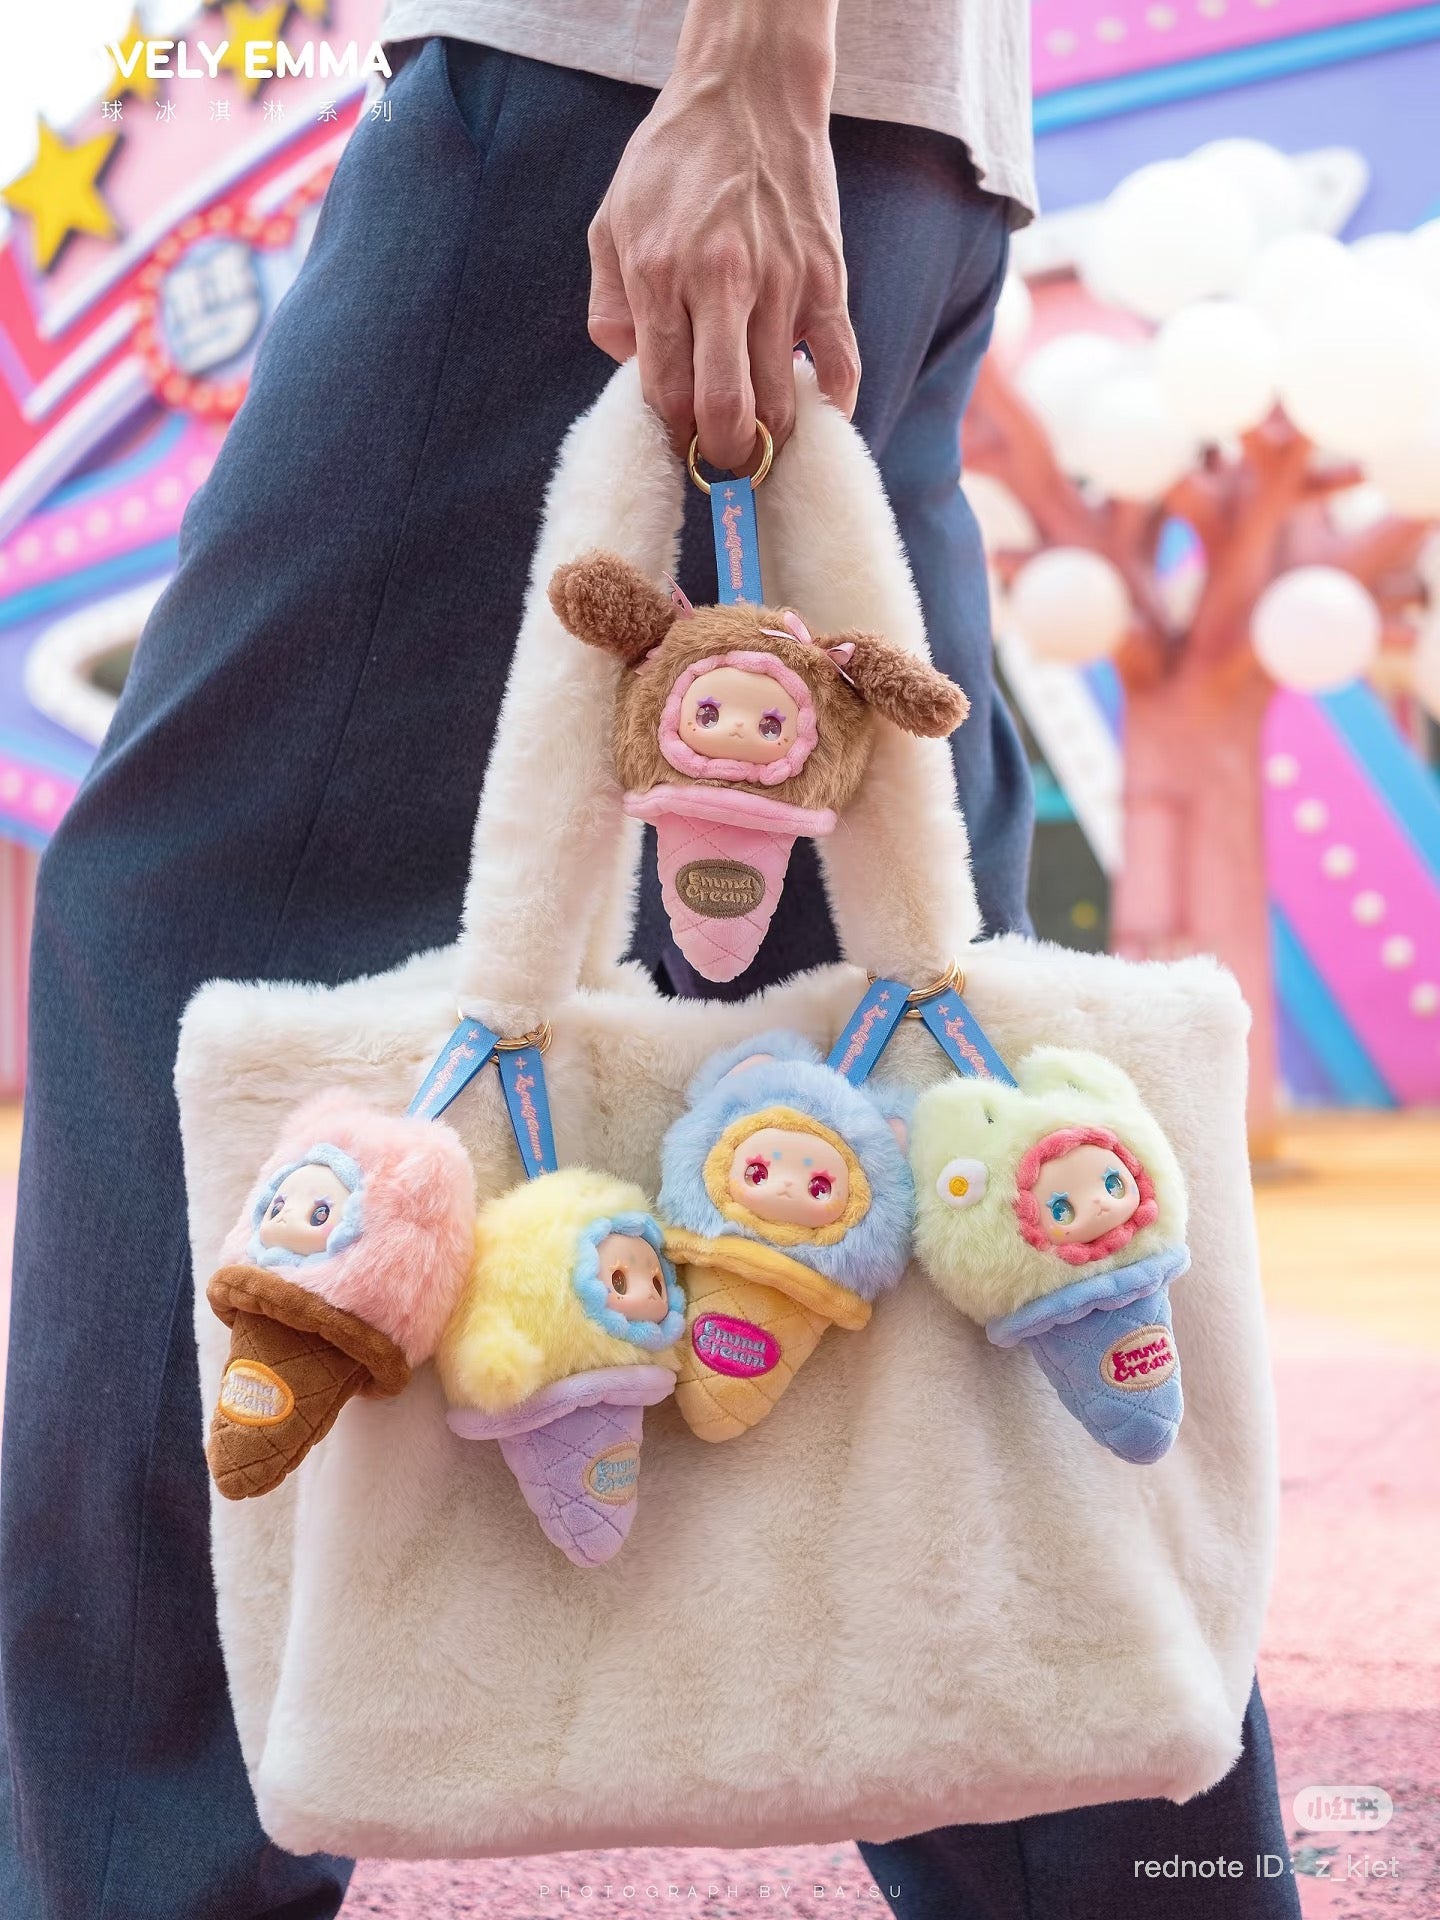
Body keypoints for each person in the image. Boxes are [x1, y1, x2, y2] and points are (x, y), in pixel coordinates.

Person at [0, 4, 1298, 1917]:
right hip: (881, 138)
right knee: (916, 1062)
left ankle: (135, 1878)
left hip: (621, 97)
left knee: (185, 944)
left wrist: (747, 77)